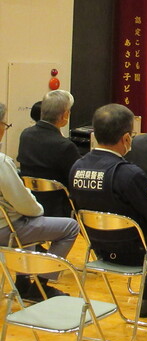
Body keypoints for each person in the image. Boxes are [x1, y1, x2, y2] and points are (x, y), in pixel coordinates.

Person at [70, 103, 147, 317]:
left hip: (98, 248)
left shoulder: (76, 168)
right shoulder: (128, 174)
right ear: (126, 138)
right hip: (137, 253)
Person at [0, 102, 80, 301]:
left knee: (24, 219)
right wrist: (36, 210)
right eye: (5, 124)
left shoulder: (27, 135)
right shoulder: (2, 162)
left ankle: (22, 282)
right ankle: (41, 286)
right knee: (70, 227)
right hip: (6, 228)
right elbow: (27, 206)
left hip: (9, 222)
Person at [17, 89, 81, 217]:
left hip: (29, 204)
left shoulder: (26, 135)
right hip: (58, 210)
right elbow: (77, 181)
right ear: (65, 115)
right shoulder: (65, 146)